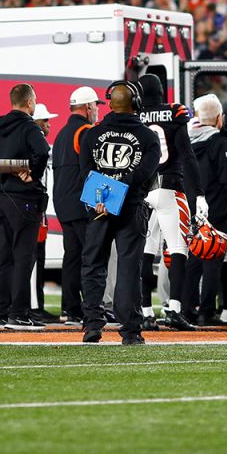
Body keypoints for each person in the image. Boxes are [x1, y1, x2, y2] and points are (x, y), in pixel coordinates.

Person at [78, 80, 161, 344]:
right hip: (132, 207)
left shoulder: (91, 134)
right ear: (136, 103)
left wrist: (102, 197)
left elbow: (86, 172)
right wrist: (118, 193)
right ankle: (131, 331)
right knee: (128, 269)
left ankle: (92, 325)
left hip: (99, 206)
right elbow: (144, 174)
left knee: (93, 265)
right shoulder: (148, 137)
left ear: (111, 103)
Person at [0, 83, 52, 331]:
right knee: (24, 257)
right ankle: (19, 314)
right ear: (30, 102)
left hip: (2, 200)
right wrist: (32, 172)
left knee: (4, 258)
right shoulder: (29, 127)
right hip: (25, 200)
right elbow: (43, 151)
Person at [136, 74, 202, 331]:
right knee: (178, 248)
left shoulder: (136, 116)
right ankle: (174, 309)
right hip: (170, 187)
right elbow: (186, 154)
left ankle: (144, 311)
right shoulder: (175, 113)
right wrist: (199, 194)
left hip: (144, 190)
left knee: (146, 249)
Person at [188, 93, 227, 325]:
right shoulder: (221, 143)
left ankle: (187, 307)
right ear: (219, 118)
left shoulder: (188, 141)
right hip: (216, 207)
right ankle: (207, 311)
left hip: (192, 206)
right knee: (212, 258)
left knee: (194, 259)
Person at [52, 86, 103, 325]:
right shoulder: (86, 131)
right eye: (96, 106)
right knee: (90, 257)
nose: (97, 111)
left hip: (62, 202)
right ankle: (91, 308)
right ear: (88, 107)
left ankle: (70, 309)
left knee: (72, 257)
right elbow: (93, 169)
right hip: (81, 202)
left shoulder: (62, 132)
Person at [30, 102, 59, 323]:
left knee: (39, 256)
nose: (49, 124)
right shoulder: (34, 143)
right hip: (33, 206)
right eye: (45, 120)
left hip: (40, 206)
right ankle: (33, 306)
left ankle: (36, 303)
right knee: (33, 257)